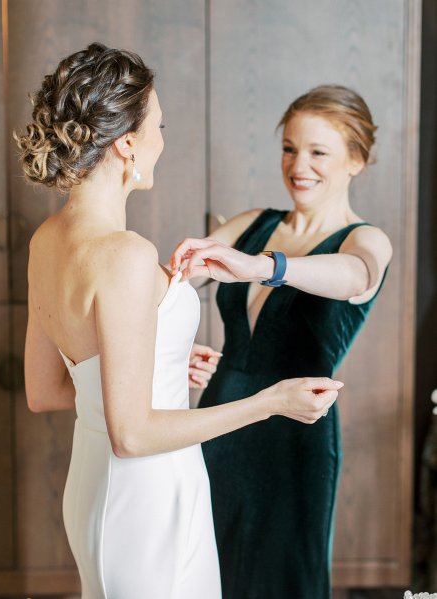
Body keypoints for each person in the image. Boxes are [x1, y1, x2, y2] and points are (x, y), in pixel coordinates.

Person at [15, 44, 342, 599]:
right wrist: (274, 402)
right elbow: (134, 433)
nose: (162, 140)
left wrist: (150, 364)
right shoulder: (126, 254)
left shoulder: (48, 240)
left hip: (96, 485)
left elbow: (45, 391)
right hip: (147, 495)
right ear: (126, 143)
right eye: (158, 125)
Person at [171, 84, 392, 599]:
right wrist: (170, 356)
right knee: (206, 571)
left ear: (355, 160)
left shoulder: (365, 240)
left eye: (319, 152)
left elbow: (358, 277)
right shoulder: (253, 224)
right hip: (217, 420)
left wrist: (264, 266)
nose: (299, 165)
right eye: (290, 148)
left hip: (295, 437)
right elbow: (166, 289)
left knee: (282, 579)